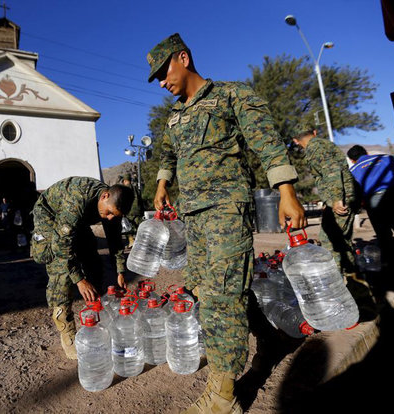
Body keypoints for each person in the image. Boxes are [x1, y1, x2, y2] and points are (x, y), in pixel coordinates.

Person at [146, 33, 306, 413]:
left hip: (226, 210)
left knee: (221, 298)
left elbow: (266, 140)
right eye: (156, 79)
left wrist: (286, 190)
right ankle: (270, 338)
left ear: (182, 58)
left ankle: (223, 395)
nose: (162, 83)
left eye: (163, 72)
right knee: (209, 289)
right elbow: (168, 151)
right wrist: (162, 182)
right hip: (195, 217)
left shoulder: (231, 95)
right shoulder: (175, 116)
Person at [30, 176, 135, 359]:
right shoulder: (77, 199)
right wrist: (79, 280)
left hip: (75, 222)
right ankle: (66, 329)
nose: (110, 218)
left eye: (114, 216)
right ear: (104, 196)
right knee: (61, 270)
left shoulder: (112, 207)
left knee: (93, 260)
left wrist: (120, 271)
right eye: (109, 213)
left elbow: (115, 241)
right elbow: (62, 245)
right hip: (51, 215)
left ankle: (95, 319)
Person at [291, 128, 360, 278]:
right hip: (344, 195)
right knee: (341, 240)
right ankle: (353, 278)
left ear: (295, 141)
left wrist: (336, 200)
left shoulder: (315, 147)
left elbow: (332, 170)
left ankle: (335, 281)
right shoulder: (321, 145)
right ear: (315, 132)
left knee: (329, 240)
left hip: (341, 197)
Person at [347, 145, 394, 270]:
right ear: (366, 152)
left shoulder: (353, 170)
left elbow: (354, 193)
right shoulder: (387, 158)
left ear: (352, 160)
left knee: (384, 236)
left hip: (374, 202)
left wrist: (356, 207)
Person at [121, 173, 144, 247]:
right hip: (138, 210)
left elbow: (123, 201)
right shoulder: (136, 188)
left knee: (127, 227)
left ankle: (131, 241)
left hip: (129, 211)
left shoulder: (124, 189)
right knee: (139, 227)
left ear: (124, 181)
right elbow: (140, 199)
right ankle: (141, 242)